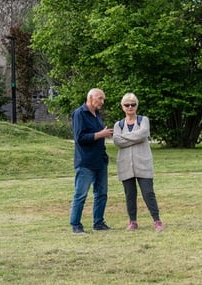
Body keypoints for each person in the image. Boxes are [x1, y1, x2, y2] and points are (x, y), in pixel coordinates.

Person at [113, 93, 164, 231]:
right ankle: (133, 221)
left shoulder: (143, 120)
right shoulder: (119, 124)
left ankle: (157, 220)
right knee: (130, 194)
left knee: (148, 192)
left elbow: (144, 133)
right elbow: (117, 141)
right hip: (125, 165)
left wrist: (125, 137)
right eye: (127, 105)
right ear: (122, 106)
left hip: (143, 163)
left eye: (133, 104)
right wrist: (134, 137)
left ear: (137, 105)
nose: (130, 107)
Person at [70, 88, 114, 233]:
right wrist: (100, 134)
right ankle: (76, 225)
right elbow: (80, 138)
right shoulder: (79, 114)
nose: (102, 102)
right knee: (81, 194)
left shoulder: (97, 115)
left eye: (103, 99)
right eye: (100, 98)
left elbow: (97, 135)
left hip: (100, 161)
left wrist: (103, 134)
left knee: (101, 193)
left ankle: (99, 222)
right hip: (86, 162)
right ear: (90, 98)